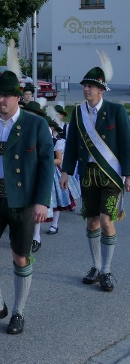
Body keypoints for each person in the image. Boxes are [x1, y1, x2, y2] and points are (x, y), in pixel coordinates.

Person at [0, 69, 54, 335]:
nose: (0, 101)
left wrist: (42, 201)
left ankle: (18, 311)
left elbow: (46, 164)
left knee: (20, 258)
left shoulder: (35, 124)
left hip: (23, 201)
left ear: (18, 97)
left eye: (6, 96)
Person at [60, 60, 130, 292]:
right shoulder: (78, 113)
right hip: (87, 176)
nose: (86, 89)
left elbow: (126, 144)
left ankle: (107, 270)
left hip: (111, 175)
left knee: (106, 220)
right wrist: (65, 171)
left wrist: (128, 174)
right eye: (84, 86)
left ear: (101, 90)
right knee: (91, 222)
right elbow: (70, 145)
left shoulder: (116, 111)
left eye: (91, 86)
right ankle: (96, 266)